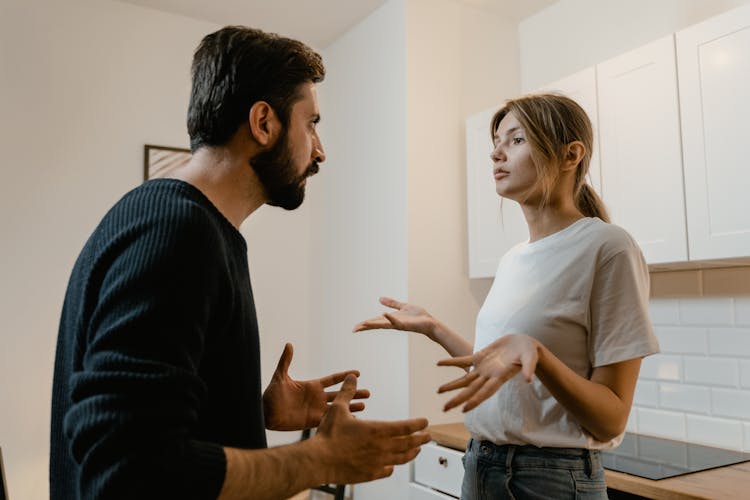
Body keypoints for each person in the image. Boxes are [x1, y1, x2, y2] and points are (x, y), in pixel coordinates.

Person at [50, 26, 430, 500]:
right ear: (264, 123)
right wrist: (319, 460)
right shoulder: (176, 231)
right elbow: (130, 469)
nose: (319, 149)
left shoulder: (181, 222)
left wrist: (249, 413)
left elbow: (157, 426)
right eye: (311, 123)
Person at [354, 94, 660, 499]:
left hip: (550, 480)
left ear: (571, 155)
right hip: (481, 466)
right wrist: (434, 327)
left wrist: (539, 353)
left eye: (516, 140)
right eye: (496, 142)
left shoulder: (608, 248)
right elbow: (505, 371)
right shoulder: (515, 258)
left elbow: (611, 418)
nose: (496, 153)